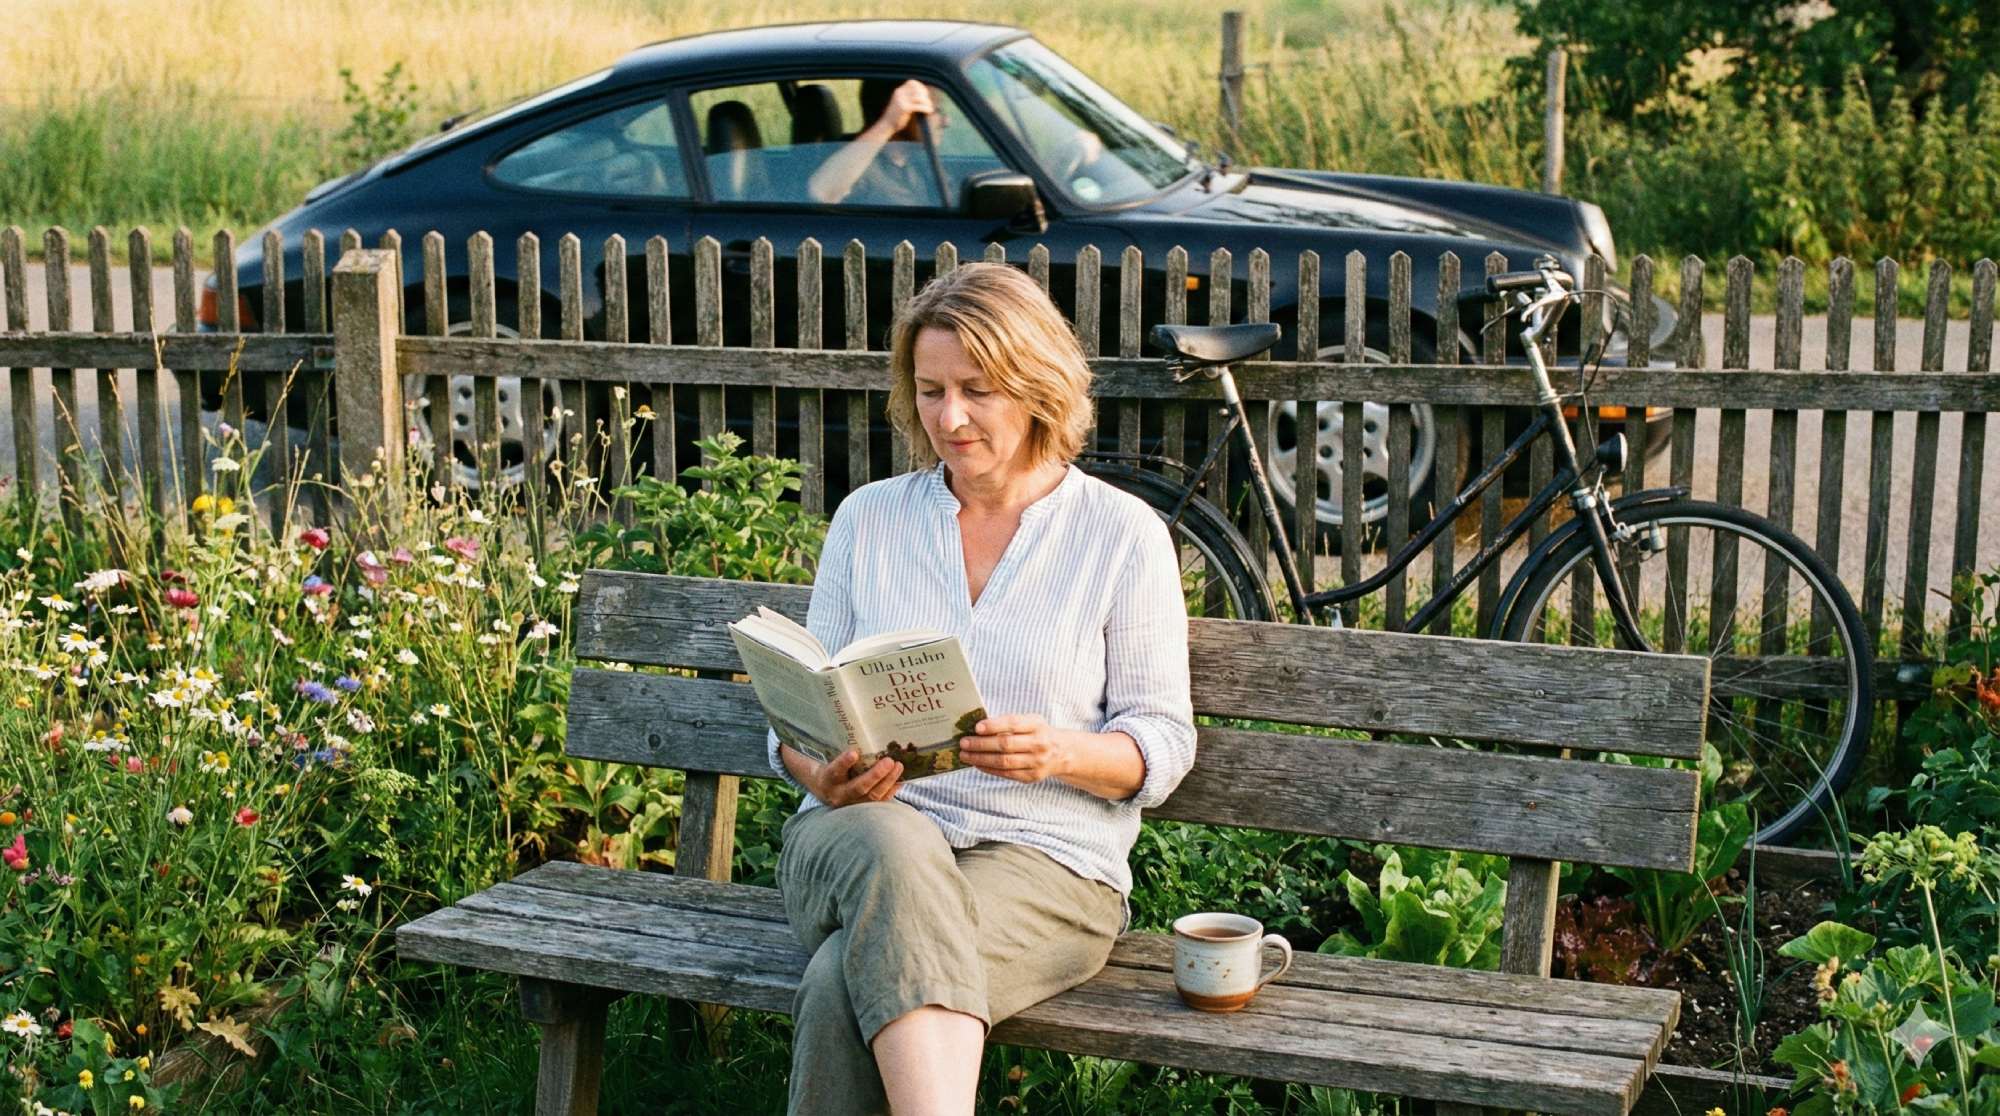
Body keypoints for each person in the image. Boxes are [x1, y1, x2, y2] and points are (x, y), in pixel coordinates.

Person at [770, 261, 1196, 1116]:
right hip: (855, 843)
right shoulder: (870, 519)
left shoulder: (1120, 535)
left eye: (977, 390)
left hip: (1045, 868)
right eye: (929, 391)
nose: (949, 418)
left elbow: (1164, 742)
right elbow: (797, 713)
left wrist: (1058, 752)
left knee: (835, 984)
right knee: (896, 845)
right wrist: (823, 775)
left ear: (1036, 386)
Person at [806, 77, 945, 206]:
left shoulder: (920, 163)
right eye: (935, 110)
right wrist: (889, 123)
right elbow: (821, 193)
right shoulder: (856, 166)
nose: (946, 122)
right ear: (897, 109)